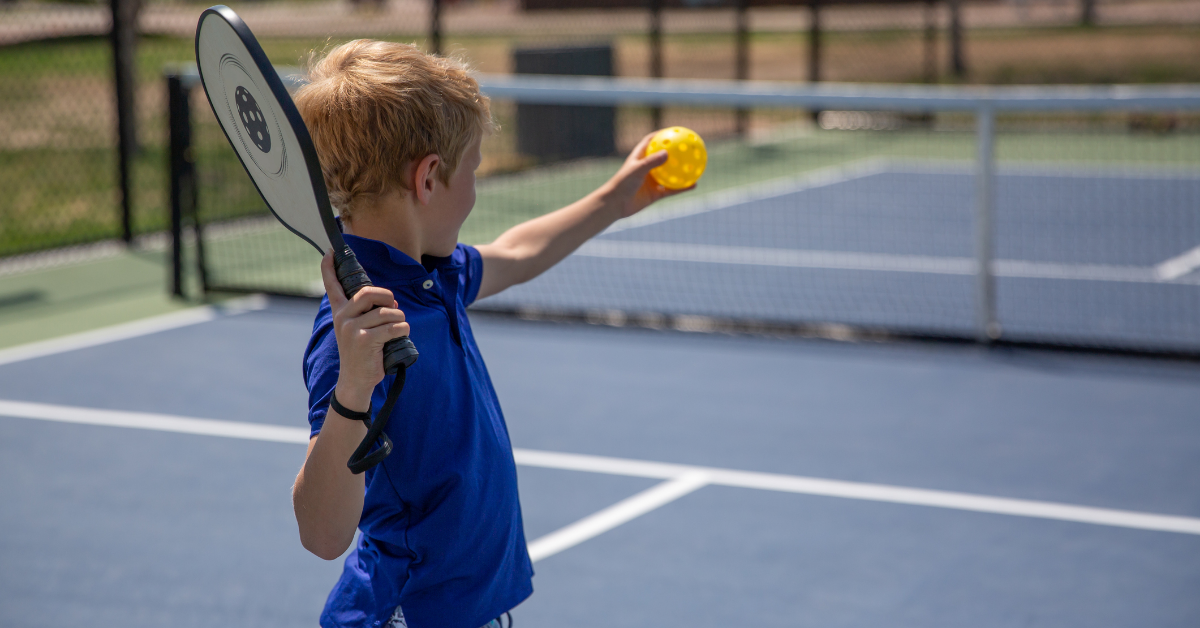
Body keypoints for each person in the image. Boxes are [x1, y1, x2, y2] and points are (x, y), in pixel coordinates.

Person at [289, 40, 692, 628]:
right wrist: (352, 390)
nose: (474, 190)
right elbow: (323, 535)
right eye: (473, 170)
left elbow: (516, 253)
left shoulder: (433, 274)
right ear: (429, 178)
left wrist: (614, 200)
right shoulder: (353, 333)